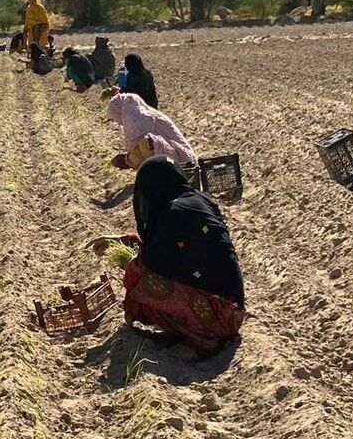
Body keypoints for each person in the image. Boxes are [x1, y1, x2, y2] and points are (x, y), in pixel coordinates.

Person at [89, 157, 246, 355]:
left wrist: (128, 263)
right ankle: (199, 330)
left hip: (219, 316)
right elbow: (167, 246)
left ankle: (203, 340)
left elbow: (149, 261)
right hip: (233, 308)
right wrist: (125, 241)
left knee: (143, 282)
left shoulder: (173, 213)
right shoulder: (197, 200)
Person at [106, 92, 195, 169]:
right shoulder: (144, 114)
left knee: (147, 143)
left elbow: (144, 147)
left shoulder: (136, 119)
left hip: (178, 159)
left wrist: (127, 160)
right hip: (179, 155)